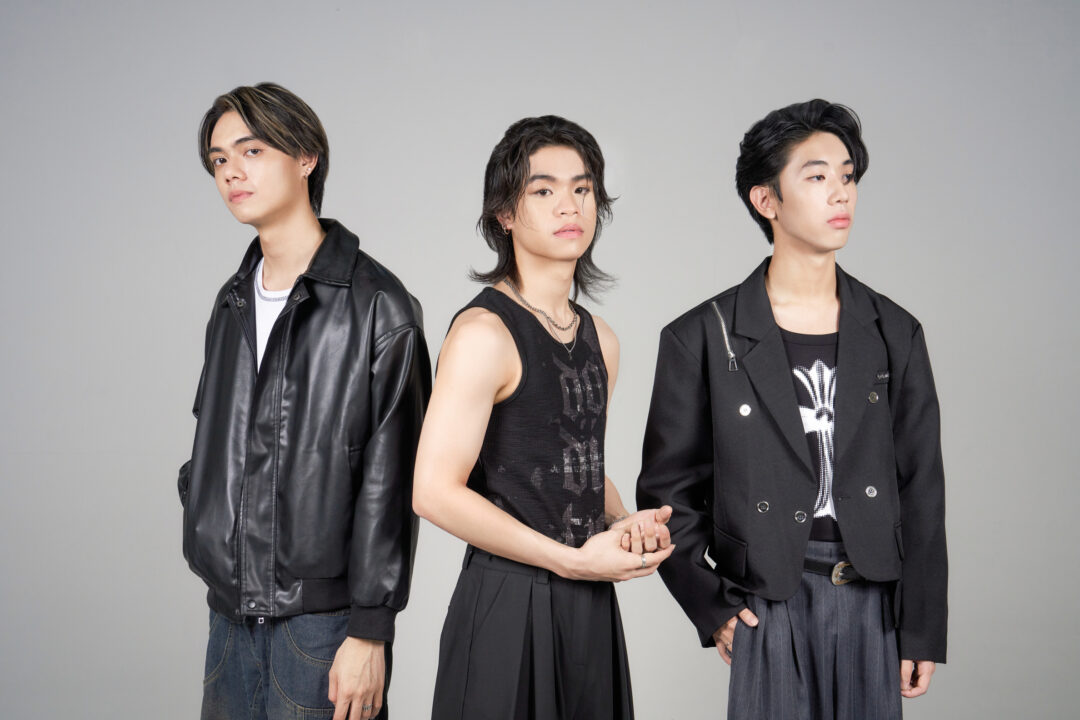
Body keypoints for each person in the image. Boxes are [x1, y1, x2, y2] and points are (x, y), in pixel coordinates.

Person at [637, 99, 947, 719]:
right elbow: (667, 493)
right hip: (767, 595)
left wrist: (921, 625)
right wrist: (714, 606)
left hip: (874, 599)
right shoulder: (702, 336)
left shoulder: (894, 332)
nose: (840, 192)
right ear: (766, 200)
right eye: (817, 176)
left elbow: (921, 487)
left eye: (848, 176)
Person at [178, 83, 431, 720]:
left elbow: (394, 482)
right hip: (228, 620)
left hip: (323, 629)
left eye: (252, 150)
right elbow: (212, 436)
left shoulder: (379, 306)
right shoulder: (232, 301)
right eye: (218, 160)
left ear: (306, 157)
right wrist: (203, 507)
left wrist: (370, 629)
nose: (231, 171)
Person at [413, 115, 674, 720]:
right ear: (505, 213)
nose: (569, 205)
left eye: (582, 189)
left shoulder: (601, 338)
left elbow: (574, 465)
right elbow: (432, 491)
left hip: (587, 602)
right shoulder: (484, 333)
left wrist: (627, 523)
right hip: (507, 598)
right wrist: (573, 560)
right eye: (544, 190)